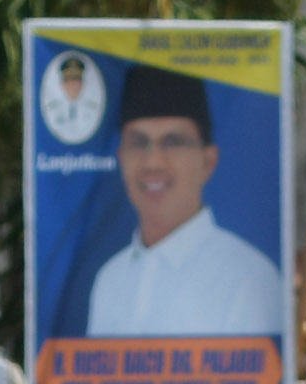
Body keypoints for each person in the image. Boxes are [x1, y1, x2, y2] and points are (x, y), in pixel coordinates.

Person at [81, 67, 284, 341]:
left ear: (207, 161)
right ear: (121, 159)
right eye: (139, 143)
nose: (153, 162)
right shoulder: (110, 279)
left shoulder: (249, 279)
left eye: (173, 142)